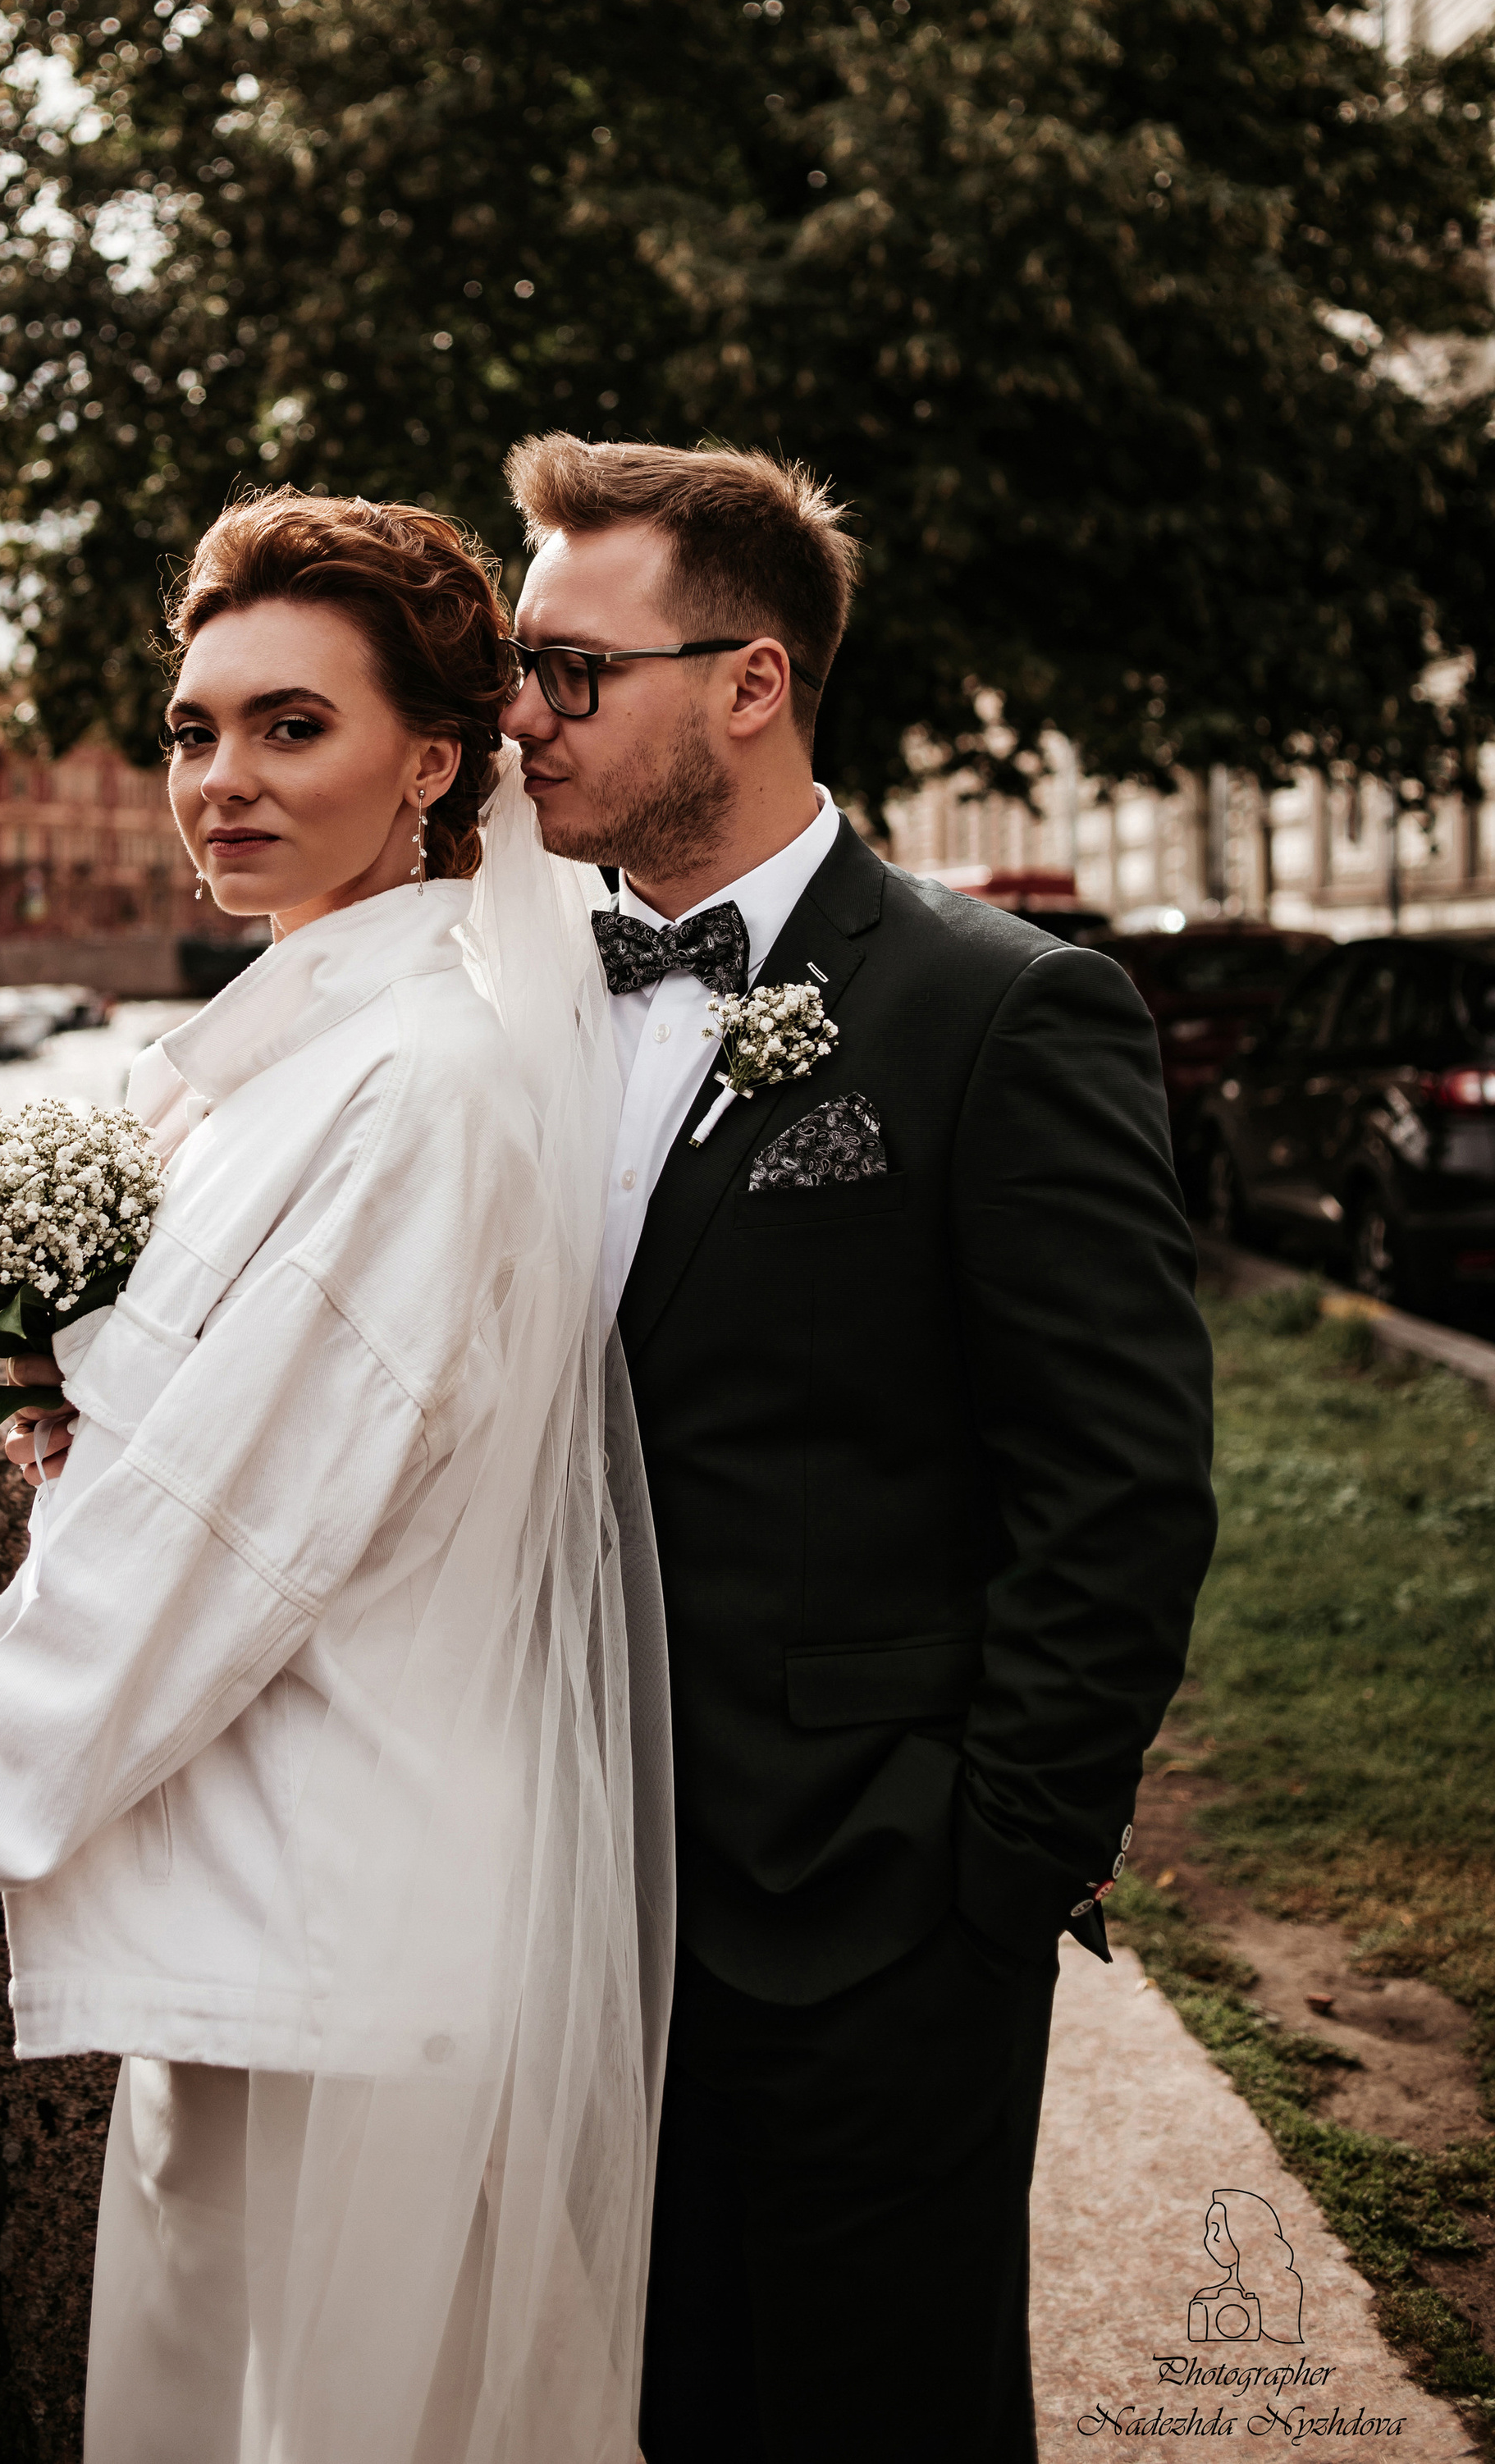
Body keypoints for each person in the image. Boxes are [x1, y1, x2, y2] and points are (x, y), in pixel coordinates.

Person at [0, 493, 672, 2464]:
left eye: (288, 728)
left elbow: (228, 1527)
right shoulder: (285, 1062)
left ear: (435, 763)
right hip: (256, 1919)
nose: (217, 781)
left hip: (338, 1938)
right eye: (192, 730)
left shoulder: (413, 1089)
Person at [498, 434, 1218, 2464]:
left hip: (865, 1920)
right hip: (558, 1911)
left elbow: (1119, 1492)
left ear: (748, 681)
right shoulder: (514, 1007)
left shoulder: (1003, 1014)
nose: (521, 719)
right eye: (515, 675)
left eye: (571, 671)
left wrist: (987, 1879)